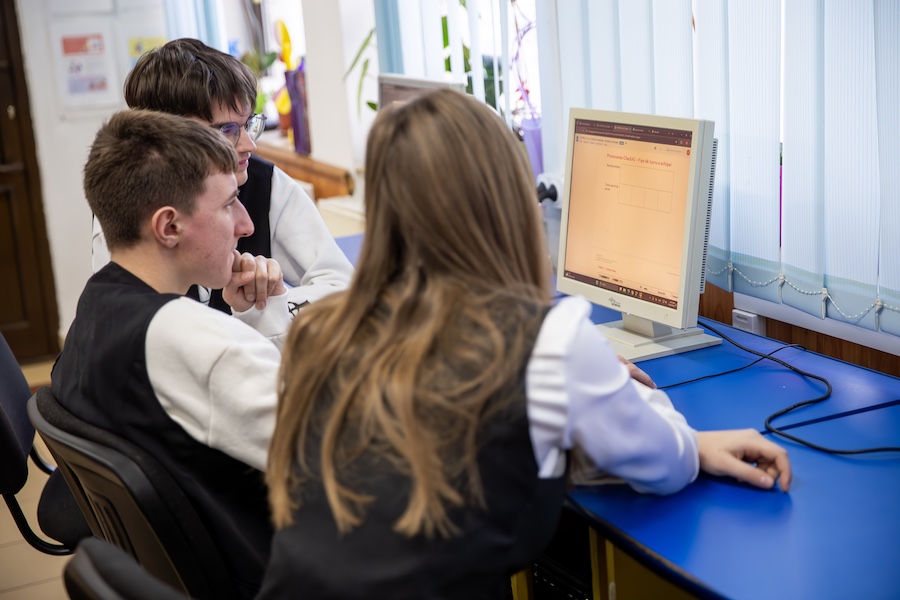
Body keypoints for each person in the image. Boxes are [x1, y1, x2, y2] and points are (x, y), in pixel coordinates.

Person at [258, 89, 792, 600]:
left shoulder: (324, 331)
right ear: (506, 199)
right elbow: (664, 466)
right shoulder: (548, 343)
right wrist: (680, 436)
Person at [52, 109, 290, 598]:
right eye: (230, 204)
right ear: (168, 226)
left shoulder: (97, 303)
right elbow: (342, 455)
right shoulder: (193, 339)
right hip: (274, 572)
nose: (245, 225)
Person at [91, 37, 354, 313]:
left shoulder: (268, 184)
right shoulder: (123, 205)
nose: (248, 145)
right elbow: (127, 320)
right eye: (226, 131)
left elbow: (342, 289)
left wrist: (271, 302)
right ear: (166, 135)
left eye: (247, 124)